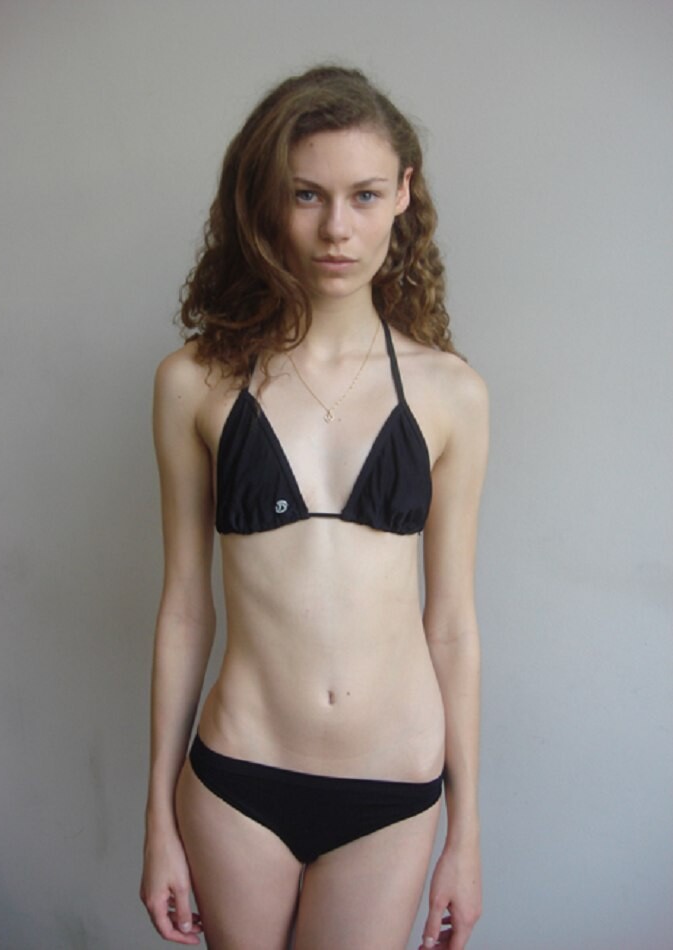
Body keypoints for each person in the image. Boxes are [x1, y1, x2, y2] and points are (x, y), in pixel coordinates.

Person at [140, 65, 488, 950]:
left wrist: (466, 833)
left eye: (364, 195)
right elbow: (184, 607)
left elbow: (451, 624)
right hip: (237, 776)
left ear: (402, 194)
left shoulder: (451, 394)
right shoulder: (194, 383)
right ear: (265, 201)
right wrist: (158, 816)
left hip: (393, 787)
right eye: (306, 195)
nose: (337, 228)